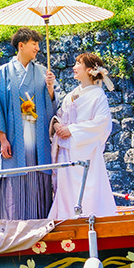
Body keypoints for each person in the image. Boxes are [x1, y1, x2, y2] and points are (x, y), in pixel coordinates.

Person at [0, 27, 58, 220]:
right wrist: (3, 139)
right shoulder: (2, 73)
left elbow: (52, 107)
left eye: (38, 44)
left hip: (37, 134)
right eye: (34, 44)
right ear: (21, 45)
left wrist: (50, 87)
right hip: (14, 134)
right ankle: (15, 224)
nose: (37, 48)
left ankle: (40, 222)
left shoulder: (42, 72)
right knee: (16, 177)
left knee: (37, 175)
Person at [47, 53, 118, 221]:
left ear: (89, 70)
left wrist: (72, 130)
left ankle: (89, 220)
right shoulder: (72, 94)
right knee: (65, 190)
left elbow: (101, 123)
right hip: (66, 149)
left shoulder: (98, 95)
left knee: (87, 190)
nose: (74, 67)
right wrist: (57, 124)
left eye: (78, 63)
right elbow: (60, 115)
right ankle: (65, 219)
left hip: (85, 151)